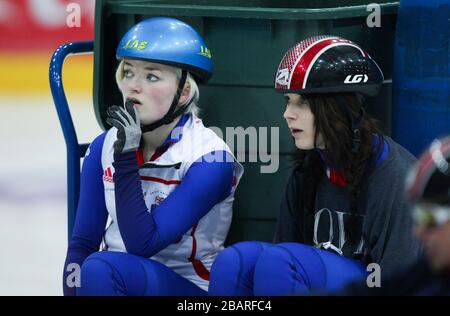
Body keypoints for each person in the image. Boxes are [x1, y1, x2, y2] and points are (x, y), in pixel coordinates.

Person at [209, 35, 421, 296]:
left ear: (341, 109)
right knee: (234, 262)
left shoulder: (397, 178)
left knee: (282, 261)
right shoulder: (309, 170)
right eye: (288, 101)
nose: (288, 114)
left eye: (303, 102)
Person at [62, 17, 243, 296]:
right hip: (114, 279)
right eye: (129, 72)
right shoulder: (103, 146)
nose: (133, 86)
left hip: (190, 288)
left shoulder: (211, 159)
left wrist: (124, 158)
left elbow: (143, 244)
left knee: (99, 268)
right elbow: (82, 244)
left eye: (151, 76)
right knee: (91, 268)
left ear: (183, 93)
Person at [336, 136, 450, 295]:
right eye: (418, 218)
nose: (418, 232)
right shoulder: (431, 270)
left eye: (430, 220)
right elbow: (387, 289)